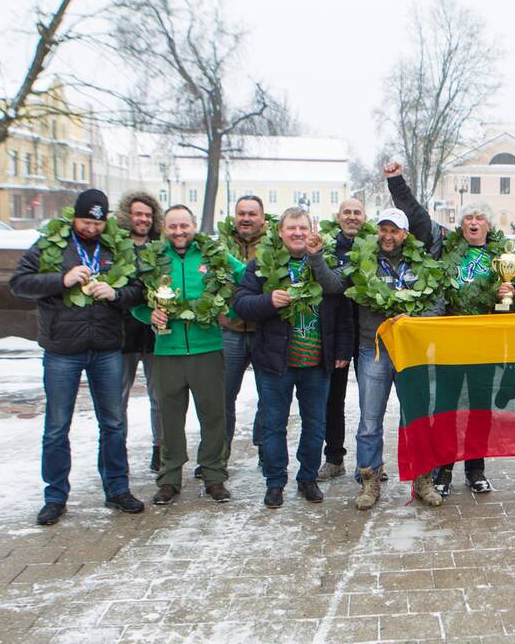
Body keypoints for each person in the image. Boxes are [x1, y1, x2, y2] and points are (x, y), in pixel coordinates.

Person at [9, 188, 146, 525]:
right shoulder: (51, 245)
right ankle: (55, 497)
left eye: (97, 223)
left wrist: (115, 293)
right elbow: (19, 283)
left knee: (113, 423)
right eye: (86, 221)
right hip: (62, 350)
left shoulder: (117, 247)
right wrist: (62, 279)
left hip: (107, 347)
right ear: (74, 218)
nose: (91, 229)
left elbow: (139, 290)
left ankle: (117, 489)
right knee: (57, 426)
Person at [386, 159, 513, 496]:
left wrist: (508, 294)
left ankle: (476, 469)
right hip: (449, 343)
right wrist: (396, 181)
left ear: (488, 225)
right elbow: (417, 217)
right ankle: (443, 469)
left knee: (480, 409)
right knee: (446, 408)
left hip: (483, 343)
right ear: (461, 224)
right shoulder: (444, 245)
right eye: (468, 218)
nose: (474, 222)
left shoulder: (504, 256)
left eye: (480, 218)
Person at [311, 207, 447, 509]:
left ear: (405, 234)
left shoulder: (423, 263)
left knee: (418, 419)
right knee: (369, 422)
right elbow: (333, 285)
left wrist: (413, 317)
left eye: (394, 230)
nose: (388, 236)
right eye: (383, 230)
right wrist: (317, 257)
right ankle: (369, 480)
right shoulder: (363, 261)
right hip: (373, 349)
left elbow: (438, 303)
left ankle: (424, 478)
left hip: (412, 351)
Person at [234, 207, 353, 508]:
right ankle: (275, 482)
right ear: (280, 231)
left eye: (302, 228)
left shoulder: (324, 263)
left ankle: (307, 477)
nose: (298, 233)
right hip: (276, 363)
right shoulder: (262, 265)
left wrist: (341, 351)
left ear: (310, 230)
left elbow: (340, 310)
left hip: (316, 362)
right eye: (291, 228)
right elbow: (241, 304)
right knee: (274, 424)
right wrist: (268, 300)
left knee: (315, 424)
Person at [132, 205, 246, 505]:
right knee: (169, 417)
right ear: (164, 228)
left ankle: (214, 476)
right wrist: (148, 314)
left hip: (207, 348)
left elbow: (245, 276)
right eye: (173, 227)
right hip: (167, 351)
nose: (179, 232)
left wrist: (229, 311)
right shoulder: (154, 259)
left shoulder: (212, 254)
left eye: (184, 225)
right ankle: (169, 478)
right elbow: (135, 297)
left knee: (213, 415)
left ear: (194, 225)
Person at [316, 197, 367, 483]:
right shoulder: (328, 247)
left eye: (356, 212)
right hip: (335, 332)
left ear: (364, 217)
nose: (351, 217)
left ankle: (368, 462)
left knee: (370, 400)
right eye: (346, 212)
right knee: (333, 399)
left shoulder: (374, 246)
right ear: (338, 217)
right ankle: (334, 457)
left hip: (369, 331)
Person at [218, 195, 268, 474]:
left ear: (263, 218)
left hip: (262, 331)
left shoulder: (273, 247)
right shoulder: (219, 247)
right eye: (241, 213)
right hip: (231, 332)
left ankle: (265, 450)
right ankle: (219, 455)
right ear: (234, 216)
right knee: (223, 395)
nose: (246, 218)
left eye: (252, 213)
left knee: (268, 396)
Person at [116, 191, 165, 472]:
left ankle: (159, 448)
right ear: (127, 216)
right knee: (117, 397)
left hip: (155, 332)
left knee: (158, 395)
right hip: (121, 332)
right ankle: (117, 449)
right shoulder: (116, 246)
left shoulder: (159, 247)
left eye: (148, 215)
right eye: (138, 214)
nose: (143, 219)